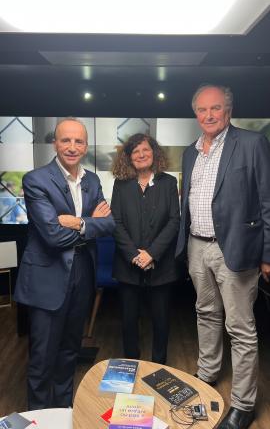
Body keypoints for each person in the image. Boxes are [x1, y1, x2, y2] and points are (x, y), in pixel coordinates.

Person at [176, 84, 270, 429]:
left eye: (216, 108)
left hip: (236, 249)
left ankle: (243, 405)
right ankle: (207, 373)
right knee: (205, 314)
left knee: (241, 328)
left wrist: (268, 254)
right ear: (196, 113)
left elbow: (267, 202)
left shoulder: (251, 143)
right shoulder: (190, 152)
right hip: (197, 246)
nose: (209, 115)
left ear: (228, 110)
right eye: (202, 109)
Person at [14, 118, 115, 409]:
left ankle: (62, 411)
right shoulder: (36, 179)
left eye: (78, 141)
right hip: (48, 280)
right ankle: (39, 418)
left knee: (70, 351)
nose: (72, 147)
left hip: (83, 276)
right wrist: (91, 224)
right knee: (43, 357)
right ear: (55, 143)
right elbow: (53, 237)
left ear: (85, 146)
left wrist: (78, 223)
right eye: (65, 140)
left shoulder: (92, 180)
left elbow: (109, 225)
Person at [111, 133, 180, 364]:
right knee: (129, 319)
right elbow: (116, 222)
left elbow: (174, 221)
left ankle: (159, 364)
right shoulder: (121, 185)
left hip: (160, 264)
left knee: (161, 320)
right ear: (129, 158)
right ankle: (132, 362)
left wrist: (151, 254)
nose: (141, 155)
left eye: (145, 150)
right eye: (135, 151)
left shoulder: (169, 183)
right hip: (127, 264)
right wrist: (134, 255)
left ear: (154, 153)